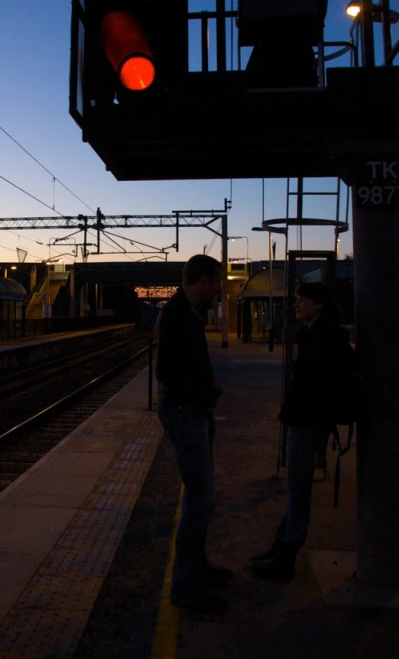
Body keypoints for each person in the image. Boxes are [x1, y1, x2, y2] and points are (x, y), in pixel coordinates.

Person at [251, 281, 354, 582]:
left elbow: (319, 384)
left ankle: (285, 559)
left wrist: (307, 414)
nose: (295, 304)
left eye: (301, 300)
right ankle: (280, 549)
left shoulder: (325, 337)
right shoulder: (318, 333)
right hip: (306, 420)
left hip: (308, 422)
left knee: (298, 491)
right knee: (295, 489)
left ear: (319, 305)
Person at [155, 254, 232, 613]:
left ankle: (197, 568)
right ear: (202, 279)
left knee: (203, 497)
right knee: (200, 499)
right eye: (217, 281)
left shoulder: (188, 312)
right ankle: (185, 585)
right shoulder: (175, 315)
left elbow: (194, 359)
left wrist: (209, 384)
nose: (219, 287)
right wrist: (191, 397)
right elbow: (167, 369)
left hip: (197, 410)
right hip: (187, 413)